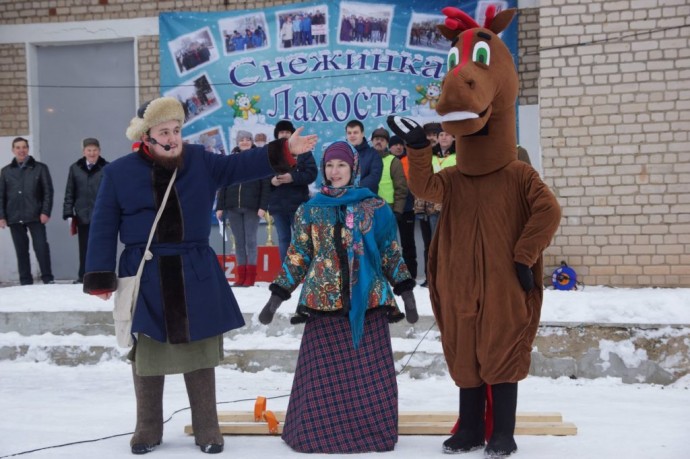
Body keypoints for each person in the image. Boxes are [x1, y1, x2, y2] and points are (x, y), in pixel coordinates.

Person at [82, 96, 316, 455]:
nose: (174, 137)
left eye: (177, 130)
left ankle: (207, 425)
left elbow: (242, 165)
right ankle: (147, 427)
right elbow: (102, 226)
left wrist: (285, 150)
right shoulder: (118, 173)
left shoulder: (200, 161)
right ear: (147, 135)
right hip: (146, 271)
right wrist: (100, 276)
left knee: (200, 350)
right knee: (147, 354)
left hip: (194, 269)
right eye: (165, 132)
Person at [387, 7, 560, 457]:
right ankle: (470, 430)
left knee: (501, 347)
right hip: (460, 279)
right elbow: (423, 187)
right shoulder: (456, 179)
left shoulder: (519, 174)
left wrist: (524, 256)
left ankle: (502, 431)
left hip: (504, 278)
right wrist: (420, 149)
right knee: (465, 349)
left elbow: (549, 212)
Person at [258, 141, 417, 453]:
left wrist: (406, 291)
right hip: (324, 301)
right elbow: (298, 255)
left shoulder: (376, 207)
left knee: (367, 378)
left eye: (341, 165)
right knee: (323, 378)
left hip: (369, 302)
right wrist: (277, 295)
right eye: (330, 166)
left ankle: (371, 435)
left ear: (353, 168)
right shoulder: (310, 209)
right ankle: (317, 435)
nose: (335, 171)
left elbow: (390, 252)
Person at [215, 130, 271, 287]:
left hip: (252, 207)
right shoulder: (231, 160)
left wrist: (262, 206)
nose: (245, 142)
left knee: (250, 241)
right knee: (239, 242)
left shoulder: (258, 159)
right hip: (232, 207)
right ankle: (241, 277)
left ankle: (250, 277)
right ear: (237, 142)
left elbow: (266, 185)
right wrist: (220, 207)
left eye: (248, 139)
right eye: (242, 139)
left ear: (252, 141)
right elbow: (223, 184)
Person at [0, 137, 55, 285]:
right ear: (13, 150)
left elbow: (48, 192)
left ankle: (47, 278)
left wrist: (45, 211)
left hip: (35, 215)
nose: (21, 150)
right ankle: (25, 281)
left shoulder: (40, 168)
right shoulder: (6, 171)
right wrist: (2, 216)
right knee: (21, 250)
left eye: (24, 147)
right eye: (18, 147)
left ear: (28, 149)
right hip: (14, 215)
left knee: (41, 247)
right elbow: (1, 195)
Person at [266, 120, 318, 262]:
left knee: (302, 239)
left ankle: (304, 272)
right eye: (281, 132)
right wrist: (271, 181)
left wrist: (292, 177)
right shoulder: (270, 153)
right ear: (277, 135)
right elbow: (261, 177)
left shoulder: (304, 152)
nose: (284, 135)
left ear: (292, 134)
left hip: (298, 204)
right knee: (283, 239)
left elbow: (312, 173)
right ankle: (286, 274)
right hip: (277, 205)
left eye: (287, 132)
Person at [62, 137, 109, 284]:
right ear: (84, 152)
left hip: (101, 215)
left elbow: (111, 192)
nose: (92, 153)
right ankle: (83, 275)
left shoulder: (107, 168)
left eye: (95, 150)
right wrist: (68, 212)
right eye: (89, 150)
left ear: (99, 151)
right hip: (83, 215)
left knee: (101, 247)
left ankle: (102, 275)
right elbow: (70, 192)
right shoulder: (75, 168)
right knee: (84, 247)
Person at [388, 135, 417, 280]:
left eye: (401, 144)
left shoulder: (409, 160)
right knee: (391, 245)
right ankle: (394, 274)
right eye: (395, 145)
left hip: (407, 208)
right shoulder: (385, 161)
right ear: (390, 146)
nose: (398, 147)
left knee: (408, 243)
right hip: (389, 209)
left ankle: (411, 274)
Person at [371, 127, 408, 219]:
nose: (379, 142)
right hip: (367, 208)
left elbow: (401, 188)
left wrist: (398, 210)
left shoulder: (393, 161)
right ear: (372, 141)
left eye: (382, 140)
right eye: (376, 139)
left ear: (387, 143)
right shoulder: (364, 159)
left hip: (387, 208)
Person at [344, 119, 382, 193]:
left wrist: (353, 189)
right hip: (345, 200)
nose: (352, 135)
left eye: (355, 132)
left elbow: (374, 177)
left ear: (362, 134)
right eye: (349, 133)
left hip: (365, 199)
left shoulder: (373, 154)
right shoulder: (342, 154)